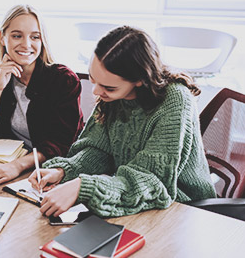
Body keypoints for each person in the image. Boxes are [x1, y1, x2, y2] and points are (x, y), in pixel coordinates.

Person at [29, 25, 217, 218]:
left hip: (183, 208)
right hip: (136, 201)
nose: (96, 92)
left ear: (140, 79)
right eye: (93, 79)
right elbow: (98, 150)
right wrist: (64, 170)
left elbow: (152, 180)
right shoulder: (114, 98)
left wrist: (83, 187)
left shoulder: (175, 100)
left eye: (108, 87)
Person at [0, 4, 84, 186]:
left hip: (53, 169)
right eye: (16, 36)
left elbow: (61, 144)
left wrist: (16, 166)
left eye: (35, 37)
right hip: (9, 165)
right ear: (2, 37)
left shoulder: (63, 80)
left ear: (42, 40)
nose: (26, 44)